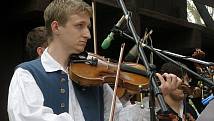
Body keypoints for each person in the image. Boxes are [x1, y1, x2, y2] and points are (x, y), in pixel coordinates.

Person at [7, 0, 182, 121]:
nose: (88, 34)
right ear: (56, 27)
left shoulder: (93, 77)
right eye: (79, 26)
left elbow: (117, 118)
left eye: (88, 27)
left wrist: (155, 99)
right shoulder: (27, 74)